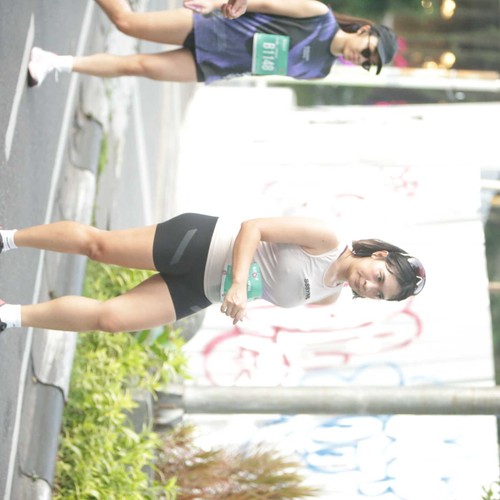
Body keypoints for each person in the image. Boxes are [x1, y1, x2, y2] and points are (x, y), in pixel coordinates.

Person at [0, 213, 425, 334]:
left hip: (202, 289)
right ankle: (8, 238)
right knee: (100, 247)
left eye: (378, 293)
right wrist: (238, 282)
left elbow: (264, 286)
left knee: (111, 320)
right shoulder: (327, 239)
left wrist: (239, 302)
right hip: (201, 242)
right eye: (379, 276)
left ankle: (9, 315)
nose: (369, 285)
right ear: (379, 255)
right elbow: (253, 228)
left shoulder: (328, 295)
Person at [27, 0, 398, 87]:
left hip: (216, 66)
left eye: (368, 63)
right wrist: (217, 3)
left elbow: (263, 66)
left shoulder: (319, 71)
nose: (362, 57)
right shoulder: (319, 15)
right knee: (127, 23)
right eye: (368, 50)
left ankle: (51, 62)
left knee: (136, 66)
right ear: (365, 30)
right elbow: (263, 3)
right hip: (212, 28)